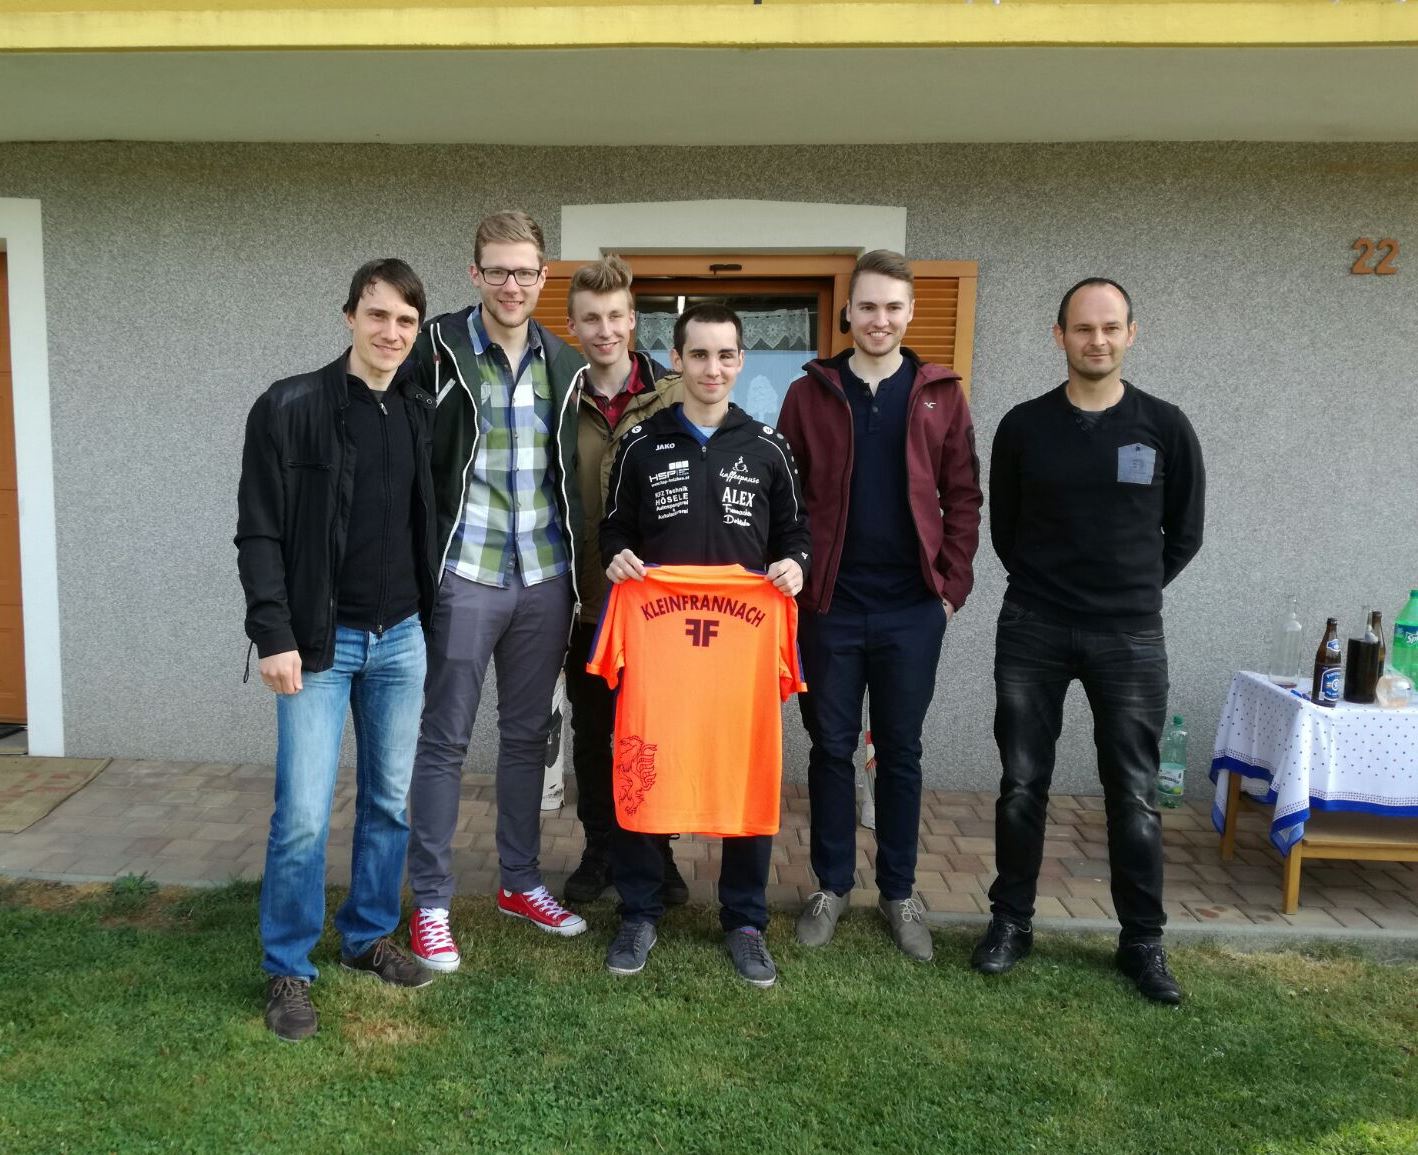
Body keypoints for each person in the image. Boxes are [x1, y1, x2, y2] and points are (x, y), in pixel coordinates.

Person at [972, 277, 1205, 1004]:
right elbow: (1005, 530)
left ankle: (1142, 942)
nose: (1096, 340)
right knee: (1021, 784)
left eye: (1109, 327)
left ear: (1131, 333)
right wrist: (1052, 586)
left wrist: (1128, 590)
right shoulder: (1023, 426)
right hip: (1033, 626)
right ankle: (1011, 922)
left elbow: (1185, 531)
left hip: (1129, 635)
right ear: (1060, 336)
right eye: (1082, 328)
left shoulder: (1165, 426)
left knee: (1134, 792)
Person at [236, 258, 437, 1042]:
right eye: (378, 314)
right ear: (349, 315)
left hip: (402, 638)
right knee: (302, 814)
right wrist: (273, 633)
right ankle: (288, 964)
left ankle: (366, 936)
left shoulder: (416, 409)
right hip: (317, 646)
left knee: (388, 802)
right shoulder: (289, 406)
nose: (391, 331)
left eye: (406, 321)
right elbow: (259, 530)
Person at [596, 302, 811, 986]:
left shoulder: (769, 446)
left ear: (741, 360)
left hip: (738, 655)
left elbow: (796, 533)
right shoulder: (641, 443)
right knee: (644, 765)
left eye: (724, 355)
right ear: (677, 360)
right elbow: (613, 527)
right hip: (661, 651)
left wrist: (795, 565)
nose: (712, 368)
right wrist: (618, 555)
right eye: (698, 354)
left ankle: (744, 920)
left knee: (746, 770)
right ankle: (639, 909)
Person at [778, 250, 982, 962]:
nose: (880, 319)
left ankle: (900, 891)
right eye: (868, 306)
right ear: (849, 312)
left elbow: (964, 496)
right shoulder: (810, 393)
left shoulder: (940, 394)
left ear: (910, 313)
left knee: (900, 752)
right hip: (829, 607)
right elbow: (786, 496)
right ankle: (831, 885)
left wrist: (950, 590)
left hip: (911, 609)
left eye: (893, 307)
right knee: (831, 750)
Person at [404, 211, 589, 973]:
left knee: (526, 737)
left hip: (543, 575)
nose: (513, 284)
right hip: (465, 573)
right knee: (444, 739)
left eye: (526, 271)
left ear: (545, 277)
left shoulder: (563, 361)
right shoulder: (436, 348)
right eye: (498, 270)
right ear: (475, 273)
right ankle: (432, 902)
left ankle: (520, 882)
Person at [559, 255, 689, 906]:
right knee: (593, 734)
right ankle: (601, 848)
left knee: (654, 735)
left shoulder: (675, 396)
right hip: (583, 601)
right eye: (591, 318)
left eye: (615, 316)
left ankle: (657, 851)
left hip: (657, 610)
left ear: (633, 319)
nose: (605, 330)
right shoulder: (558, 400)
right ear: (573, 325)